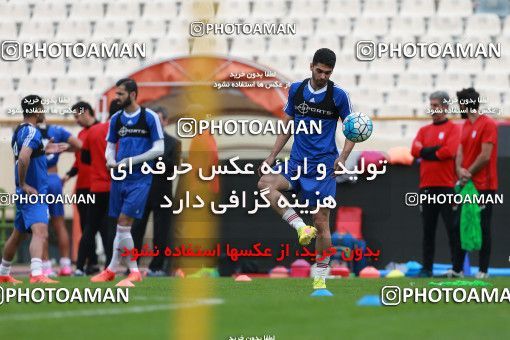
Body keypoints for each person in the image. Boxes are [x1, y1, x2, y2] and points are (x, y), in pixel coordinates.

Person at [257, 48, 355, 290]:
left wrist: (343, 157)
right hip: (296, 163)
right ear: (311, 66)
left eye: (328, 73)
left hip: (323, 167)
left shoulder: (339, 96)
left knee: (321, 221)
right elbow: (288, 124)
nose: (323, 76)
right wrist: (272, 155)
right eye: (319, 70)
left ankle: (320, 277)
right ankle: (301, 227)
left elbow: (352, 130)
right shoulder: (296, 90)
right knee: (264, 185)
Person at [91, 78, 164, 283]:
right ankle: (113, 269)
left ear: (132, 95)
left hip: (140, 178)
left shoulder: (149, 117)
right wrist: (110, 160)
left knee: (124, 222)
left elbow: (159, 149)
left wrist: (132, 161)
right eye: (116, 93)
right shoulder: (116, 119)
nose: (117, 97)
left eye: (120, 94)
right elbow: (111, 145)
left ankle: (132, 270)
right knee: (120, 226)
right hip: (119, 177)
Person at [0, 95, 68, 284]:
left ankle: (3, 272)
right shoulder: (33, 132)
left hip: (24, 194)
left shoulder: (20, 131)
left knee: (17, 235)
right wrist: (24, 184)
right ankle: (37, 274)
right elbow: (23, 158)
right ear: (37, 110)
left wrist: (45, 149)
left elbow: (27, 154)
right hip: (33, 193)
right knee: (41, 232)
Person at [411, 91, 463, 278]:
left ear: (446, 107)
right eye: (431, 105)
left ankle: (457, 268)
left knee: (452, 230)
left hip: (447, 187)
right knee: (428, 231)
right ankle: (427, 268)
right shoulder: (424, 130)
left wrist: (425, 152)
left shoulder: (453, 129)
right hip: (426, 187)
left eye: (436, 105)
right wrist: (432, 151)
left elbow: (448, 152)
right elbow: (414, 151)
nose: (432, 109)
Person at [131, 106, 181, 276]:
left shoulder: (174, 143)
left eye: (160, 120)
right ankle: (133, 266)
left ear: (165, 122)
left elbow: (173, 169)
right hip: (142, 192)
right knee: (136, 229)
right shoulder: (143, 142)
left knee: (161, 232)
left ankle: (157, 267)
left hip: (163, 193)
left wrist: (156, 156)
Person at [75, 100, 122, 276]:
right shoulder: (121, 133)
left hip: (95, 187)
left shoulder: (93, 131)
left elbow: (85, 159)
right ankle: (109, 268)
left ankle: (79, 267)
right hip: (113, 188)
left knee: (89, 228)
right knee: (111, 229)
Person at [455, 87, 498, 279]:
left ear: (465, 104)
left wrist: (467, 173)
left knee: (483, 226)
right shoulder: (465, 125)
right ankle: (457, 269)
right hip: (467, 185)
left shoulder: (488, 124)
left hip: (484, 186)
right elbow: (461, 151)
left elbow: (485, 156)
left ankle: (483, 270)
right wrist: (459, 170)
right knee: (461, 224)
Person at [37, 110, 82, 277]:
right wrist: (61, 149)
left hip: (37, 180)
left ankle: (47, 267)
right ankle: (65, 265)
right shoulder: (57, 130)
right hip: (54, 179)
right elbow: (79, 144)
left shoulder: (26, 132)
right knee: (59, 223)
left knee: (40, 225)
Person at [63, 101, 99, 274]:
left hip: (98, 186)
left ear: (85, 112)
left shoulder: (102, 130)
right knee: (86, 227)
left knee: (101, 226)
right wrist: (67, 176)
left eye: (77, 116)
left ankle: (107, 262)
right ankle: (92, 262)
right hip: (83, 188)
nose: (76, 120)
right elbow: (78, 163)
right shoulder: (81, 133)